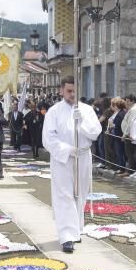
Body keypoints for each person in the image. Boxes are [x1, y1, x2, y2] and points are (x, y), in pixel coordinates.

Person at [42, 77, 102, 253]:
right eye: (69, 91)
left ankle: (76, 229)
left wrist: (81, 121)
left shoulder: (87, 110)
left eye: (75, 91)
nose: (72, 94)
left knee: (80, 193)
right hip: (63, 159)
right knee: (65, 196)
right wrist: (67, 149)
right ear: (62, 90)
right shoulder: (54, 112)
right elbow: (48, 138)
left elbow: (95, 133)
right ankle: (67, 236)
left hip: (83, 156)